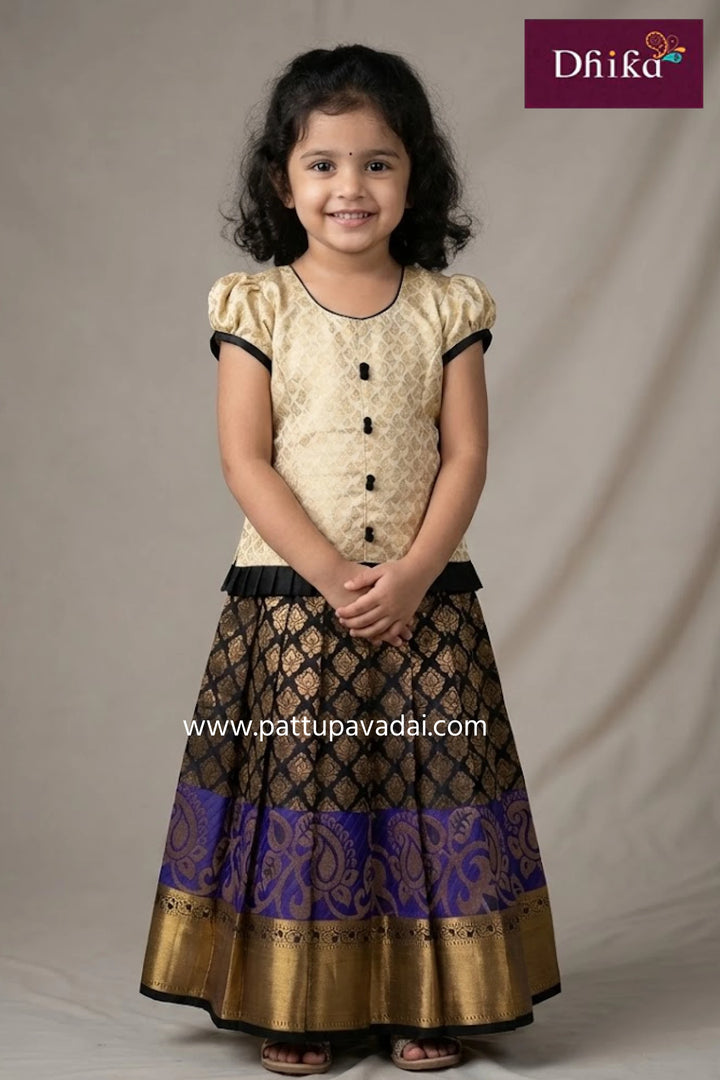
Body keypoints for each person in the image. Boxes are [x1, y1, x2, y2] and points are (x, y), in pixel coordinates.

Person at [139, 43, 561, 1076]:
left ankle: (432, 998)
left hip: (429, 599)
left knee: (428, 792)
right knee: (305, 793)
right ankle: (302, 1002)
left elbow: (467, 453)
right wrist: (333, 576)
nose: (350, 187)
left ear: (416, 176)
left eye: (377, 162)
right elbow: (245, 460)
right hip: (291, 606)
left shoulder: (448, 309)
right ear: (281, 182)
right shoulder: (258, 307)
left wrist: (413, 574)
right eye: (323, 163)